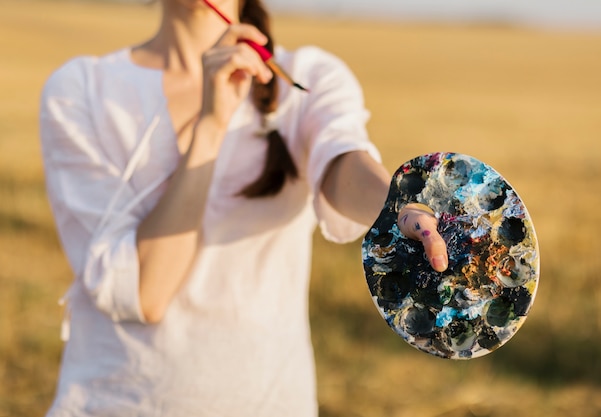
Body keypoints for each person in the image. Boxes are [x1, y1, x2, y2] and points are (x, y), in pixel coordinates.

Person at [39, 0, 448, 415]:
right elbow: (145, 293)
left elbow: (342, 162)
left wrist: (397, 207)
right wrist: (211, 125)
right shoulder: (81, 90)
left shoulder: (308, 77)